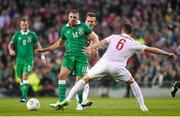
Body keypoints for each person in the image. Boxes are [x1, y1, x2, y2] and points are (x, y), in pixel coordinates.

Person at [53, 23, 177, 111]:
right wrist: (167, 53)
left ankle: (67, 99)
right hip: (117, 68)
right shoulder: (133, 43)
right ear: (131, 33)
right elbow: (151, 49)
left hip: (103, 63)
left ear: (122, 30)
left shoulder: (113, 37)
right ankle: (142, 107)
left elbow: (101, 43)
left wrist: (91, 47)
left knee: (84, 80)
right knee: (132, 83)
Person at [36, 9, 99, 110]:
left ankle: (80, 104)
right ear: (68, 17)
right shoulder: (65, 28)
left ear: (78, 18)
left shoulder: (84, 27)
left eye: (74, 17)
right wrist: (44, 50)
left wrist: (92, 49)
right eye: (71, 17)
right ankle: (61, 102)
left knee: (79, 83)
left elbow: (95, 38)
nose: (72, 19)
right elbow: (59, 43)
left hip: (81, 58)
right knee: (61, 76)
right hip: (68, 57)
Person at [8, 18, 46, 102]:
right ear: (20, 26)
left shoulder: (32, 35)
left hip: (29, 60)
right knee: (21, 78)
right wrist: (10, 50)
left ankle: (24, 97)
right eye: (22, 25)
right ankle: (23, 95)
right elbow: (10, 44)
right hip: (19, 60)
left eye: (26, 25)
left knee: (25, 76)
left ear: (28, 25)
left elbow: (39, 46)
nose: (24, 26)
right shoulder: (17, 35)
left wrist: (42, 57)